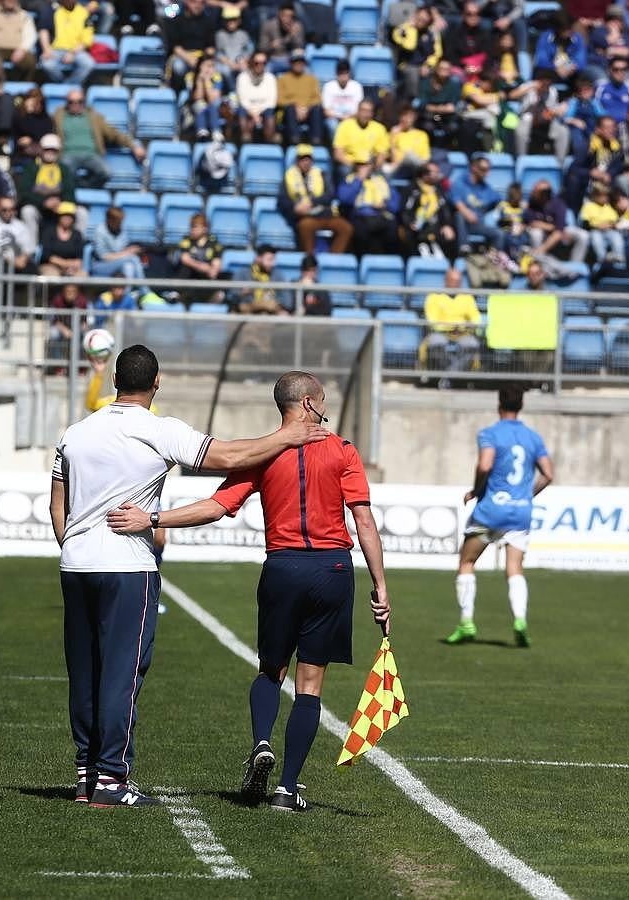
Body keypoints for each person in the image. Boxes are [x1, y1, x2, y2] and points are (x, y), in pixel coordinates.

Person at [48, 345, 329, 807]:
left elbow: (57, 499)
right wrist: (289, 437)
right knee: (121, 674)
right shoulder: (158, 430)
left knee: (85, 671)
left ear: (115, 380)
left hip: (76, 564)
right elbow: (227, 457)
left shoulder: (76, 432)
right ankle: (112, 781)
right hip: (126, 566)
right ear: (156, 383)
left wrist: (71, 542)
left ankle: (86, 773)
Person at [104, 371, 389, 811]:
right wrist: (380, 586)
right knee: (310, 683)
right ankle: (288, 789)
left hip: (282, 568)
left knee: (271, 670)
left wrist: (153, 519)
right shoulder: (343, 451)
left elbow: (214, 508)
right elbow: (364, 522)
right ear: (310, 403)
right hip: (332, 569)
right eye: (323, 398)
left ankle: (261, 743)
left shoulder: (262, 454)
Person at [445, 385, 554, 648]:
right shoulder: (533, 437)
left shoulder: (491, 434)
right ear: (521, 405)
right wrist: (527, 496)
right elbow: (548, 474)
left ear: (499, 404)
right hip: (520, 513)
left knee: (467, 562)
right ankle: (520, 620)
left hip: (491, 510)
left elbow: (485, 464)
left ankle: (466, 622)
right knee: (515, 569)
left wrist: (476, 490)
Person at [279, 144, 352, 254]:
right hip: (306, 217)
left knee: (346, 228)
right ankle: (310, 258)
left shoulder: (322, 174)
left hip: (326, 214)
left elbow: (330, 194)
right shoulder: (288, 177)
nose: (306, 162)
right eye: (302, 159)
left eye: (308, 159)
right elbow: (283, 199)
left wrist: (312, 202)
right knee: (305, 226)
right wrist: (295, 208)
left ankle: (334, 256)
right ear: (297, 161)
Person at [423, 269, 482, 380]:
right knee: (436, 343)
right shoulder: (434, 297)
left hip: (462, 333)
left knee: (472, 344)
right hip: (441, 333)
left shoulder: (467, 297)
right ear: (446, 280)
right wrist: (450, 327)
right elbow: (432, 320)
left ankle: (448, 377)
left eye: (458, 282)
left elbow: (476, 318)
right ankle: (453, 378)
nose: (455, 284)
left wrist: (464, 327)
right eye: (453, 281)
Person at [400, 161, 458, 258]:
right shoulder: (412, 189)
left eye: (437, 172)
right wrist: (409, 223)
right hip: (417, 229)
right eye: (434, 172)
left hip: (436, 228)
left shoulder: (438, 191)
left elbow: (445, 210)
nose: (438, 175)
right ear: (424, 175)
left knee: (450, 237)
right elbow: (406, 210)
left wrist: (447, 225)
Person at [0, 0, 39, 79]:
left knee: (30, 61)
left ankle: (25, 85)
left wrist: (22, 49)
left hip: (18, 50)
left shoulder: (24, 16)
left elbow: (30, 35)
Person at [38, 0, 96, 85]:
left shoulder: (84, 13)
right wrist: (46, 49)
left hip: (76, 51)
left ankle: (69, 86)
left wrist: (72, 53)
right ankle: (63, 85)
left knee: (88, 63)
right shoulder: (53, 10)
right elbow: (43, 31)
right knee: (47, 64)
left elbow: (87, 39)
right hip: (55, 50)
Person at [276, 49, 324, 146]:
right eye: (296, 62)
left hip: (308, 111)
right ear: (291, 63)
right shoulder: (282, 79)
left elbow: (318, 98)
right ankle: (295, 140)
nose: (298, 64)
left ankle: (316, 140)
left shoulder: (312, 79)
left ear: (305, 63)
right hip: (290, 113)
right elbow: (279, 99)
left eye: (301, 61)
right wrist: (296, 107)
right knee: (290, 109)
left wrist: (307, 108)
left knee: (317, 108)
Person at [235, 51, 278, 144]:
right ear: (251, 63)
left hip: (264, 109)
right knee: (241, 110)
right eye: (257, 63)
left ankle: (270, 142)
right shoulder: (242, 77)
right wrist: (253, 114)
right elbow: (242, 99)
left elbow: (272, 101)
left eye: (263, 63)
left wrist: (258, 112)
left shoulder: (270, 77)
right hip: (248, 108)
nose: (260, 65)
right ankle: (245, 139)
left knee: (270, 112)